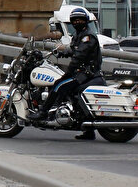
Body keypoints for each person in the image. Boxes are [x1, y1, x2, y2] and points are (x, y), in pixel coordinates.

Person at [27, 7, 102, 140]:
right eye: (75, 20)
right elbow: (73, 49)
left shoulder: (88, 37)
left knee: (58, 85)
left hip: (86, 73)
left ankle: (43, 113)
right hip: (84, 72)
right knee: (67, 89)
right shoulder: (80, 35)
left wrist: (68, 73)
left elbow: (79, 56)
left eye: (80, 20)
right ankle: (88, 131)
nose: (77, 22)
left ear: (86, 21)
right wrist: (61, 52)